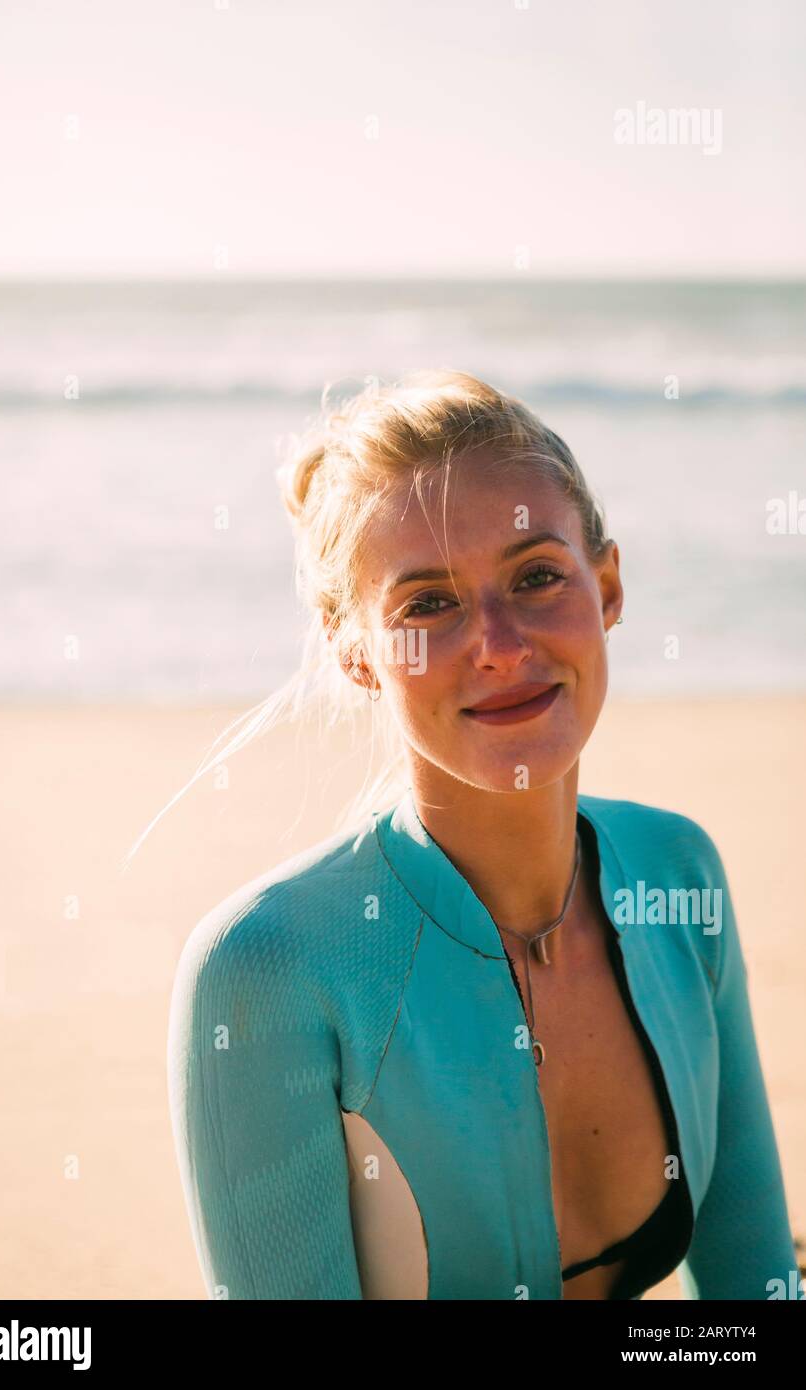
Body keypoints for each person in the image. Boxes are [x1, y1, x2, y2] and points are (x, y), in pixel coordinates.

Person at [163, 369, 799, 1300]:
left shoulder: (678, 873)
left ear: (608, 585)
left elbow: (755, 1289)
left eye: (537, 575)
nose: (499, 644)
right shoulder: (270, 967)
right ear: (355, 651)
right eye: (427, 604)